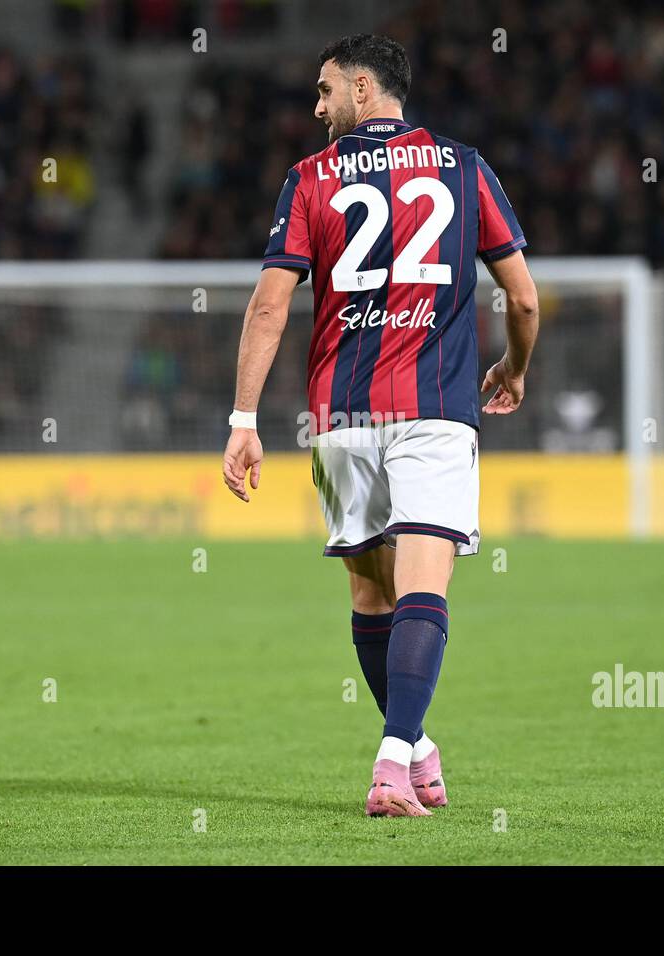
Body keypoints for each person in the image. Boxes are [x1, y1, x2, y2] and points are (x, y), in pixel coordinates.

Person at [222, 34, 539, 817]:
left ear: (364, 89)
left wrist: (242, 419)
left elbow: (270, 303)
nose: (317, 106)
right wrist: (516, 367)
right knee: (424, 586)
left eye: (325, 90)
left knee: (371, 594)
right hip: (434, 410)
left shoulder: (307, 180)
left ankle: (416, 746)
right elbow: (524, 298)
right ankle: (395, 762)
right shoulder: (464, 167)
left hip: (342, 416)